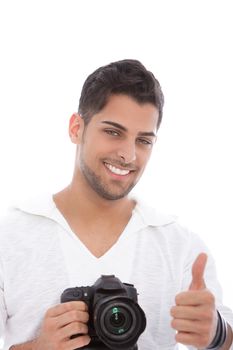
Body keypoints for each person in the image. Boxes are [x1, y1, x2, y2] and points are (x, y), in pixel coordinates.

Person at [0, 59, 232, 350]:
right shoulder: (9, 238)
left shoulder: (180, 245)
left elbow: (226, 339)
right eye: (113, 132)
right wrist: (40, 347)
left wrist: (216, 333)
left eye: (143, 141)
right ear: (76, 128)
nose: (128, 155)